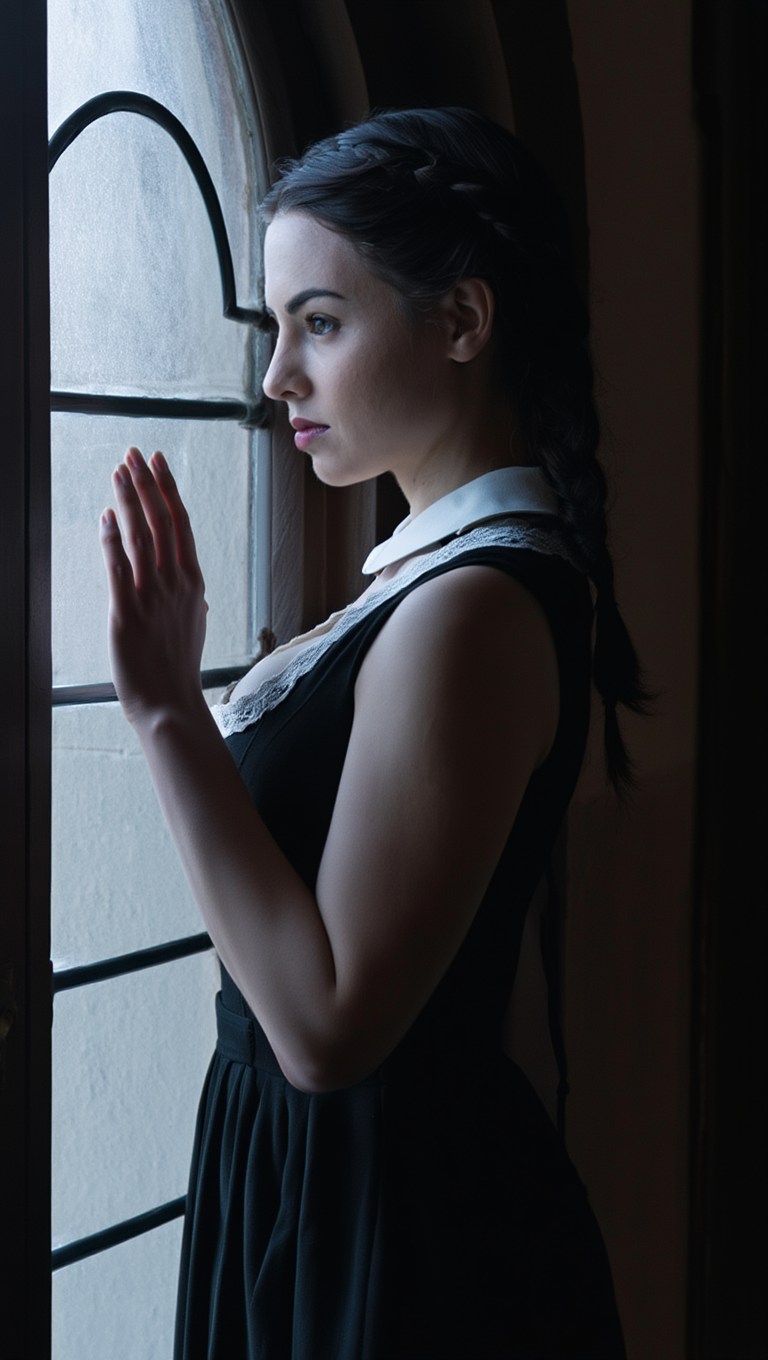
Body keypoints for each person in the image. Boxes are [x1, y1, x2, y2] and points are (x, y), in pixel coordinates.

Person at [100, 108, 641, 1358]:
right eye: (278, 327)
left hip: (391, 1242)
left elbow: (330, 1027)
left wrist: (168, 706)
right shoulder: (435, 583)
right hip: (332, 1196)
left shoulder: (475, 612)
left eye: (321, 324)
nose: (278, 375)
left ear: (462, 321)